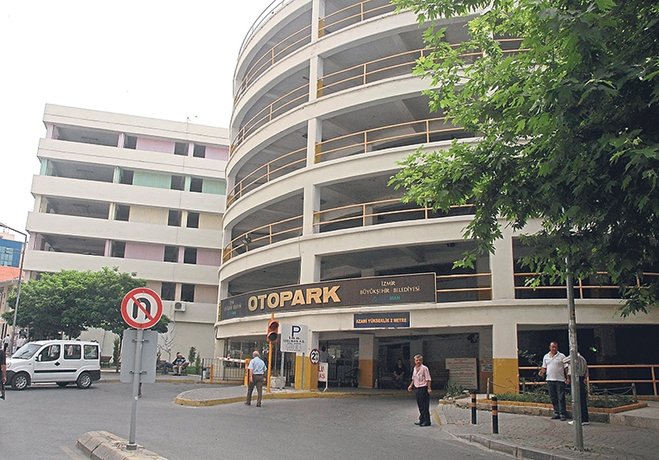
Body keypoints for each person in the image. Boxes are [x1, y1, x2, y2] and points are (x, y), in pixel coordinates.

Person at [538, 341, 568, 421]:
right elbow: (544, 367)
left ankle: (562, 414)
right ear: (550, 347)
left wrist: (568, 378)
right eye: (553, 347)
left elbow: (566, 368)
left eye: (555, 347)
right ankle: (556, 412)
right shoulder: (546, 356)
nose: (554, 348)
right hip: (550, 379)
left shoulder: (562, 356)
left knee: (561, 397)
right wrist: (541, 372)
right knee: (553, 397)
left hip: (560, 379)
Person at [565, 352, 590, 425]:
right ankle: (585, 419)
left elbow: (563, 360)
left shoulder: (574, 358)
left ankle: (578, 419)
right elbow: (586, 369)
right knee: (582, 400)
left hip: (576, 379)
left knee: (576, 400)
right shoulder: (583, 359)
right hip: (581, 378)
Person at [407, 354, 432, 426]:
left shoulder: (425, 368)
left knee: (425, 405)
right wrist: (411, 385)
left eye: (419, 360)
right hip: (417, 388)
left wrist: (429, 388)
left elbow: (428, 379)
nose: (418, 361)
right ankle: (422, 419)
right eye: (417, 360)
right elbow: (414, 378)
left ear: (422, 361)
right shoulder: (415, 368)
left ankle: (427, 421)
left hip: (423, 388)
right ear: (415, 361)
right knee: (420, 405)